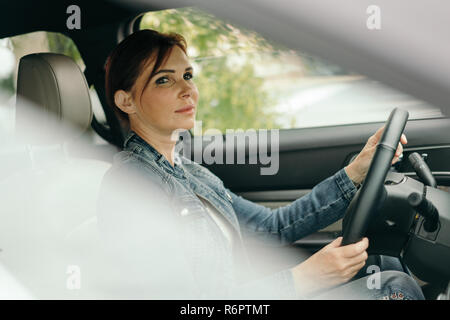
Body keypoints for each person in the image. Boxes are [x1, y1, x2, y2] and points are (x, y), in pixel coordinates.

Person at [97, 29, 424, 300]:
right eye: (164, 80)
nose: (188, 90)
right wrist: (302, 279)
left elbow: (273, 228)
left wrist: (355, 172)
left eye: (187, 75)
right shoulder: (130, 185)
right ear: (125, 100)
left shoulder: (190, 172)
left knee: (383, 265)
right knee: (395, 288)